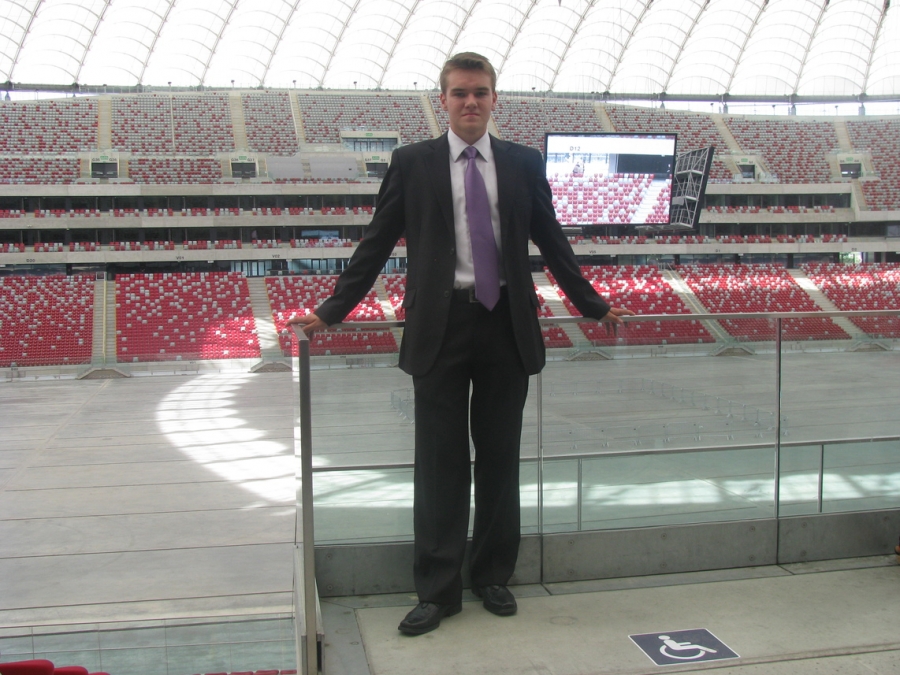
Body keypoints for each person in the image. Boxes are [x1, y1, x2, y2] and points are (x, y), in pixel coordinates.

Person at [286, 52, 633, 636]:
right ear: (442, 101)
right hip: (439, 329)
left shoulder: (523, 163)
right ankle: (437, 590)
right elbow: (376, 243)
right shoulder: (412, 162)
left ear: (495, 99)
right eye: (460, 93)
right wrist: (331, 310)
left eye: (480, 92)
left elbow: (552, 241)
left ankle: (492, 575)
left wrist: (592, 303)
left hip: (506, 327)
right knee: (439, 465)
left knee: (500, 459)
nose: (470, 102)